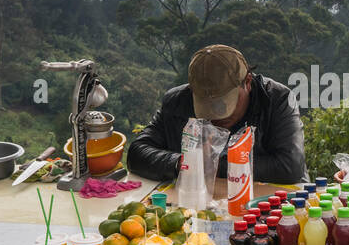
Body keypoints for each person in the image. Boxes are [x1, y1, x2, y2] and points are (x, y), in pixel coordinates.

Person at [126, 45, 307, 184]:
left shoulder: (277, 100)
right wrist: (179, 163)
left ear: (248, 82)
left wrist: (208, 165)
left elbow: (290, 166)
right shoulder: (178, 101)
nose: (216, 116)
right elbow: (137, 153)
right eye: (207, 105)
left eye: (223, 103)